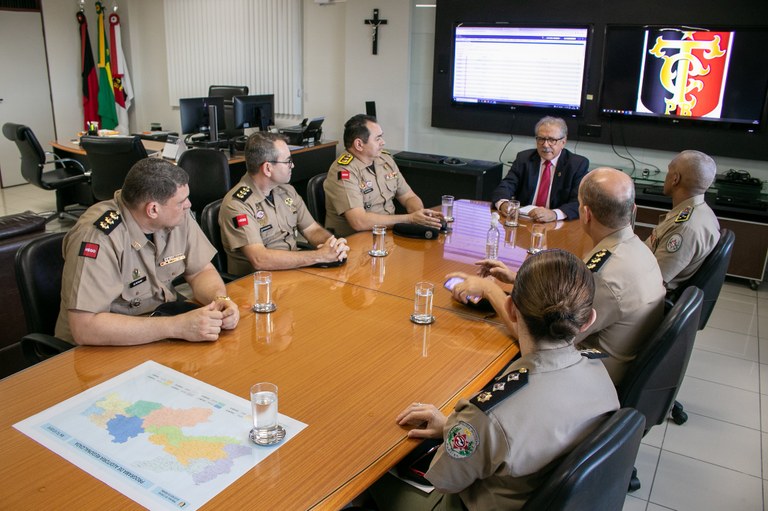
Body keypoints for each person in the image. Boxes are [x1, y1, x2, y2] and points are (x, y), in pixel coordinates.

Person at [369, 250, 619, 511]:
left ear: (510, 309)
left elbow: (445, 480)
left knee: (371, 474)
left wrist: (465, 428)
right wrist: (453, 428)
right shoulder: (600, 372)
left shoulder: (489, 414)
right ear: (588, 321)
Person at [449, 168, 665, 384]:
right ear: (633, 209)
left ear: (586, 214)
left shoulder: (602, 276)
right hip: (617, 365)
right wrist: (518, 278)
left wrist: (489, 289)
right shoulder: (637, 248)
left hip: (585, 382)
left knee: (474, 357)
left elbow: (538, 341)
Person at [55, 158, 240, 346]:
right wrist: (176, 326)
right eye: (181, 201)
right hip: (100, 350)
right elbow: (85, 328)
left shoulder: (175, 216)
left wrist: (219, 300)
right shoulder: (99, 237)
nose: (189, 205)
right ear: (153, 209)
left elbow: (201, 270)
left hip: (159, 328)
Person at [219, 132, 349, 274]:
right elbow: (260, 259)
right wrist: (318, 256)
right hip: (259, 285)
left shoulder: (286, 191)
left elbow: (312, 229)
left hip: (293, 273)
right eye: (288, 161)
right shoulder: (237, 205)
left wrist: (332, 244)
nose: (292, 165)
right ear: (268, 168)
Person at [323, 114, 443, 237]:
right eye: (377, 138)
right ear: (359, 144)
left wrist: (420, 215)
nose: (383, 142)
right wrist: (410, 219)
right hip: (354, 242)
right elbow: (359, 221)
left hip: (388, 233)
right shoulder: (343, 172)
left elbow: (408, 197)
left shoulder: (385, 160)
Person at [645, 150, 720, 290]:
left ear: (675, 179)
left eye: (668, 171)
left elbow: (653, 280)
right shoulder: (702, 212)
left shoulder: (685, 228)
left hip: (648, 297)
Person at [492, 116, 589, 222]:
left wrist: (554, 214)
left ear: (563, 141)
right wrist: (503, 204)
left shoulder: (577, 164)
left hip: (557, 225)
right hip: (524, 221)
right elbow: (505, 186)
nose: (545, 145)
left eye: (552, 140)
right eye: (541, 139)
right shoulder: (524, 158)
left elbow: (579, 202)